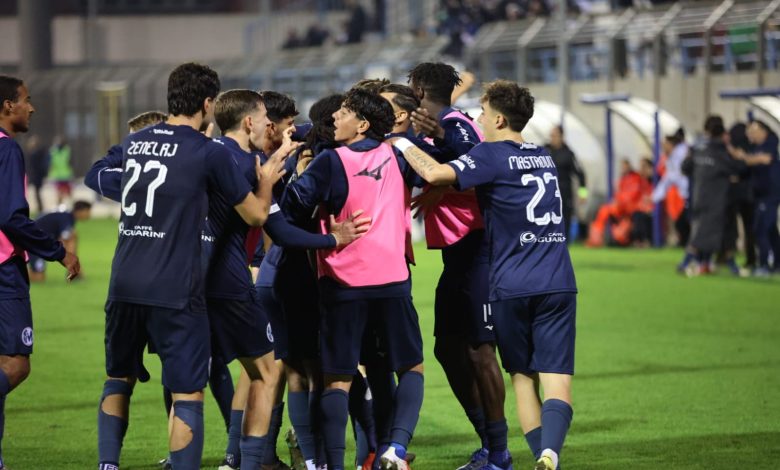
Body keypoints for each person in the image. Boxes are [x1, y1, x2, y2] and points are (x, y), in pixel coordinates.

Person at [87, 62, 289, 470]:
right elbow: (255, 215)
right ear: (208, 103)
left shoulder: (136, 142)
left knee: (118, 379)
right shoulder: (207, 151)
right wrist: (267, 180)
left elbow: (101, 176)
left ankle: (108, 464)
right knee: (187, 392)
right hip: (175, 285)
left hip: (123, 281)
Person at [390, 79, 577, 470]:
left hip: (512, 284)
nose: (478, 119)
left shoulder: (491, 154)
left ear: (499, 119)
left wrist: (401, 142)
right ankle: (549, 453)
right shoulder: (543, 155)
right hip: (559, 280)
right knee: (557, 379)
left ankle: (529, 454)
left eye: (483, 113)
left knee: (522, 378)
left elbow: (436, 173)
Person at [281, 88, 425, 470]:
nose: (335, 117)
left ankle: (335, 464)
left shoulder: (331, 161)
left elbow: (291, 208)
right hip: (393, 281)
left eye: (343, 112)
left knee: (337, 379)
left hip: (343, 284)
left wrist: (325, 228)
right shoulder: (398, 154)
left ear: (362, 124)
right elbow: (431, 170)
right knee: (409, 367)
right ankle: (394, 449)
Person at [407, 62, 507, 470]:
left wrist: (444, 169)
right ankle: (487, 441)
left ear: (417, 91)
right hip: (457, 257)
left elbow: (475, 158)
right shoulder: (435, 126)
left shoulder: (454, 124)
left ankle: (499, 453)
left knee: (481, 351)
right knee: (447, 348)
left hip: (478, 251)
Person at [0, 74, 80, 470]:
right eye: (25, 100)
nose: (31, 108)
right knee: (15, 364)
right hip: (3, 269)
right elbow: (11, 217)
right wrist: (58, 251)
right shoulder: (7, 149)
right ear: (7, 105)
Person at [677, 116, 745, 275]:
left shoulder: (697, 150)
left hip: (698, 197)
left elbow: (685, 168)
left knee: (702, 230)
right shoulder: (723, 152)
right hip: (719, 200)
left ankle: (704, 264)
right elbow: (740, 168)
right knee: (720, 233)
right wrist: (737, 155)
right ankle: (686, 263)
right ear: (723, 133)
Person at [734, 120, 780, 276]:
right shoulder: (755, 147)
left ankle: (764, 265)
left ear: (763, 131)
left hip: (770, 194)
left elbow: (763, 159)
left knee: (761, 229)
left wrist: (744, 157)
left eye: (753, 132)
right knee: (771, 229)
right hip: (761, 194)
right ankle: (777, 263)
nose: (750, 135)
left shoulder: (771, 141)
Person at [27, 200, 91, 282]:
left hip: (37, 243)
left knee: (38, 276)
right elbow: (64, 241)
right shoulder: (67, 219)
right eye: (88, 211)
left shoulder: (67, 218)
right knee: (38, 278)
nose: (89, 215)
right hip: (34, 243)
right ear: (81, 211)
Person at [547, 125, 587, 241]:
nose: (552, 138)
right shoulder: (545, 150)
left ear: (561, 136)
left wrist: (583, 194)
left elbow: (580, 174)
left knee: (565, 219)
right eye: (551, 136)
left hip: (564, 193)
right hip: (548, 193)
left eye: (555, 136)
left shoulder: (569, 154)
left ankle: (565, 243)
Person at [652, 129, 689, 246]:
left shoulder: (682, 154)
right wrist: (654, 197)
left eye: (665, 144)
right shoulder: (672, 158)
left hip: (693, 193)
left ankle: (692, 247)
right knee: (682, 222)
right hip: (687, 194)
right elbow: (668, 179)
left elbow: (671, 178)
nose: (663, 146)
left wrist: (654, 197)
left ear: (671, 144)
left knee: (684, 222)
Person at [25, 134, 49, 213]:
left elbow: (39, 165)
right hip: (32, 175)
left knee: (36, 193)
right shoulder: (31, 153)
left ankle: (40, 208)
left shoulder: (38, 153)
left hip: (36, 176)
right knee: (29, 192)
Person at [47, 136, 74, 205]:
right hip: (57, 175)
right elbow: (50, 163)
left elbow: (71, 162)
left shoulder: (67, 151)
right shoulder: (53, 151)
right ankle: (59, 207)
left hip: (66, 175)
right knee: (59, 193)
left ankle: (71, 206)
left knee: (69, 192)